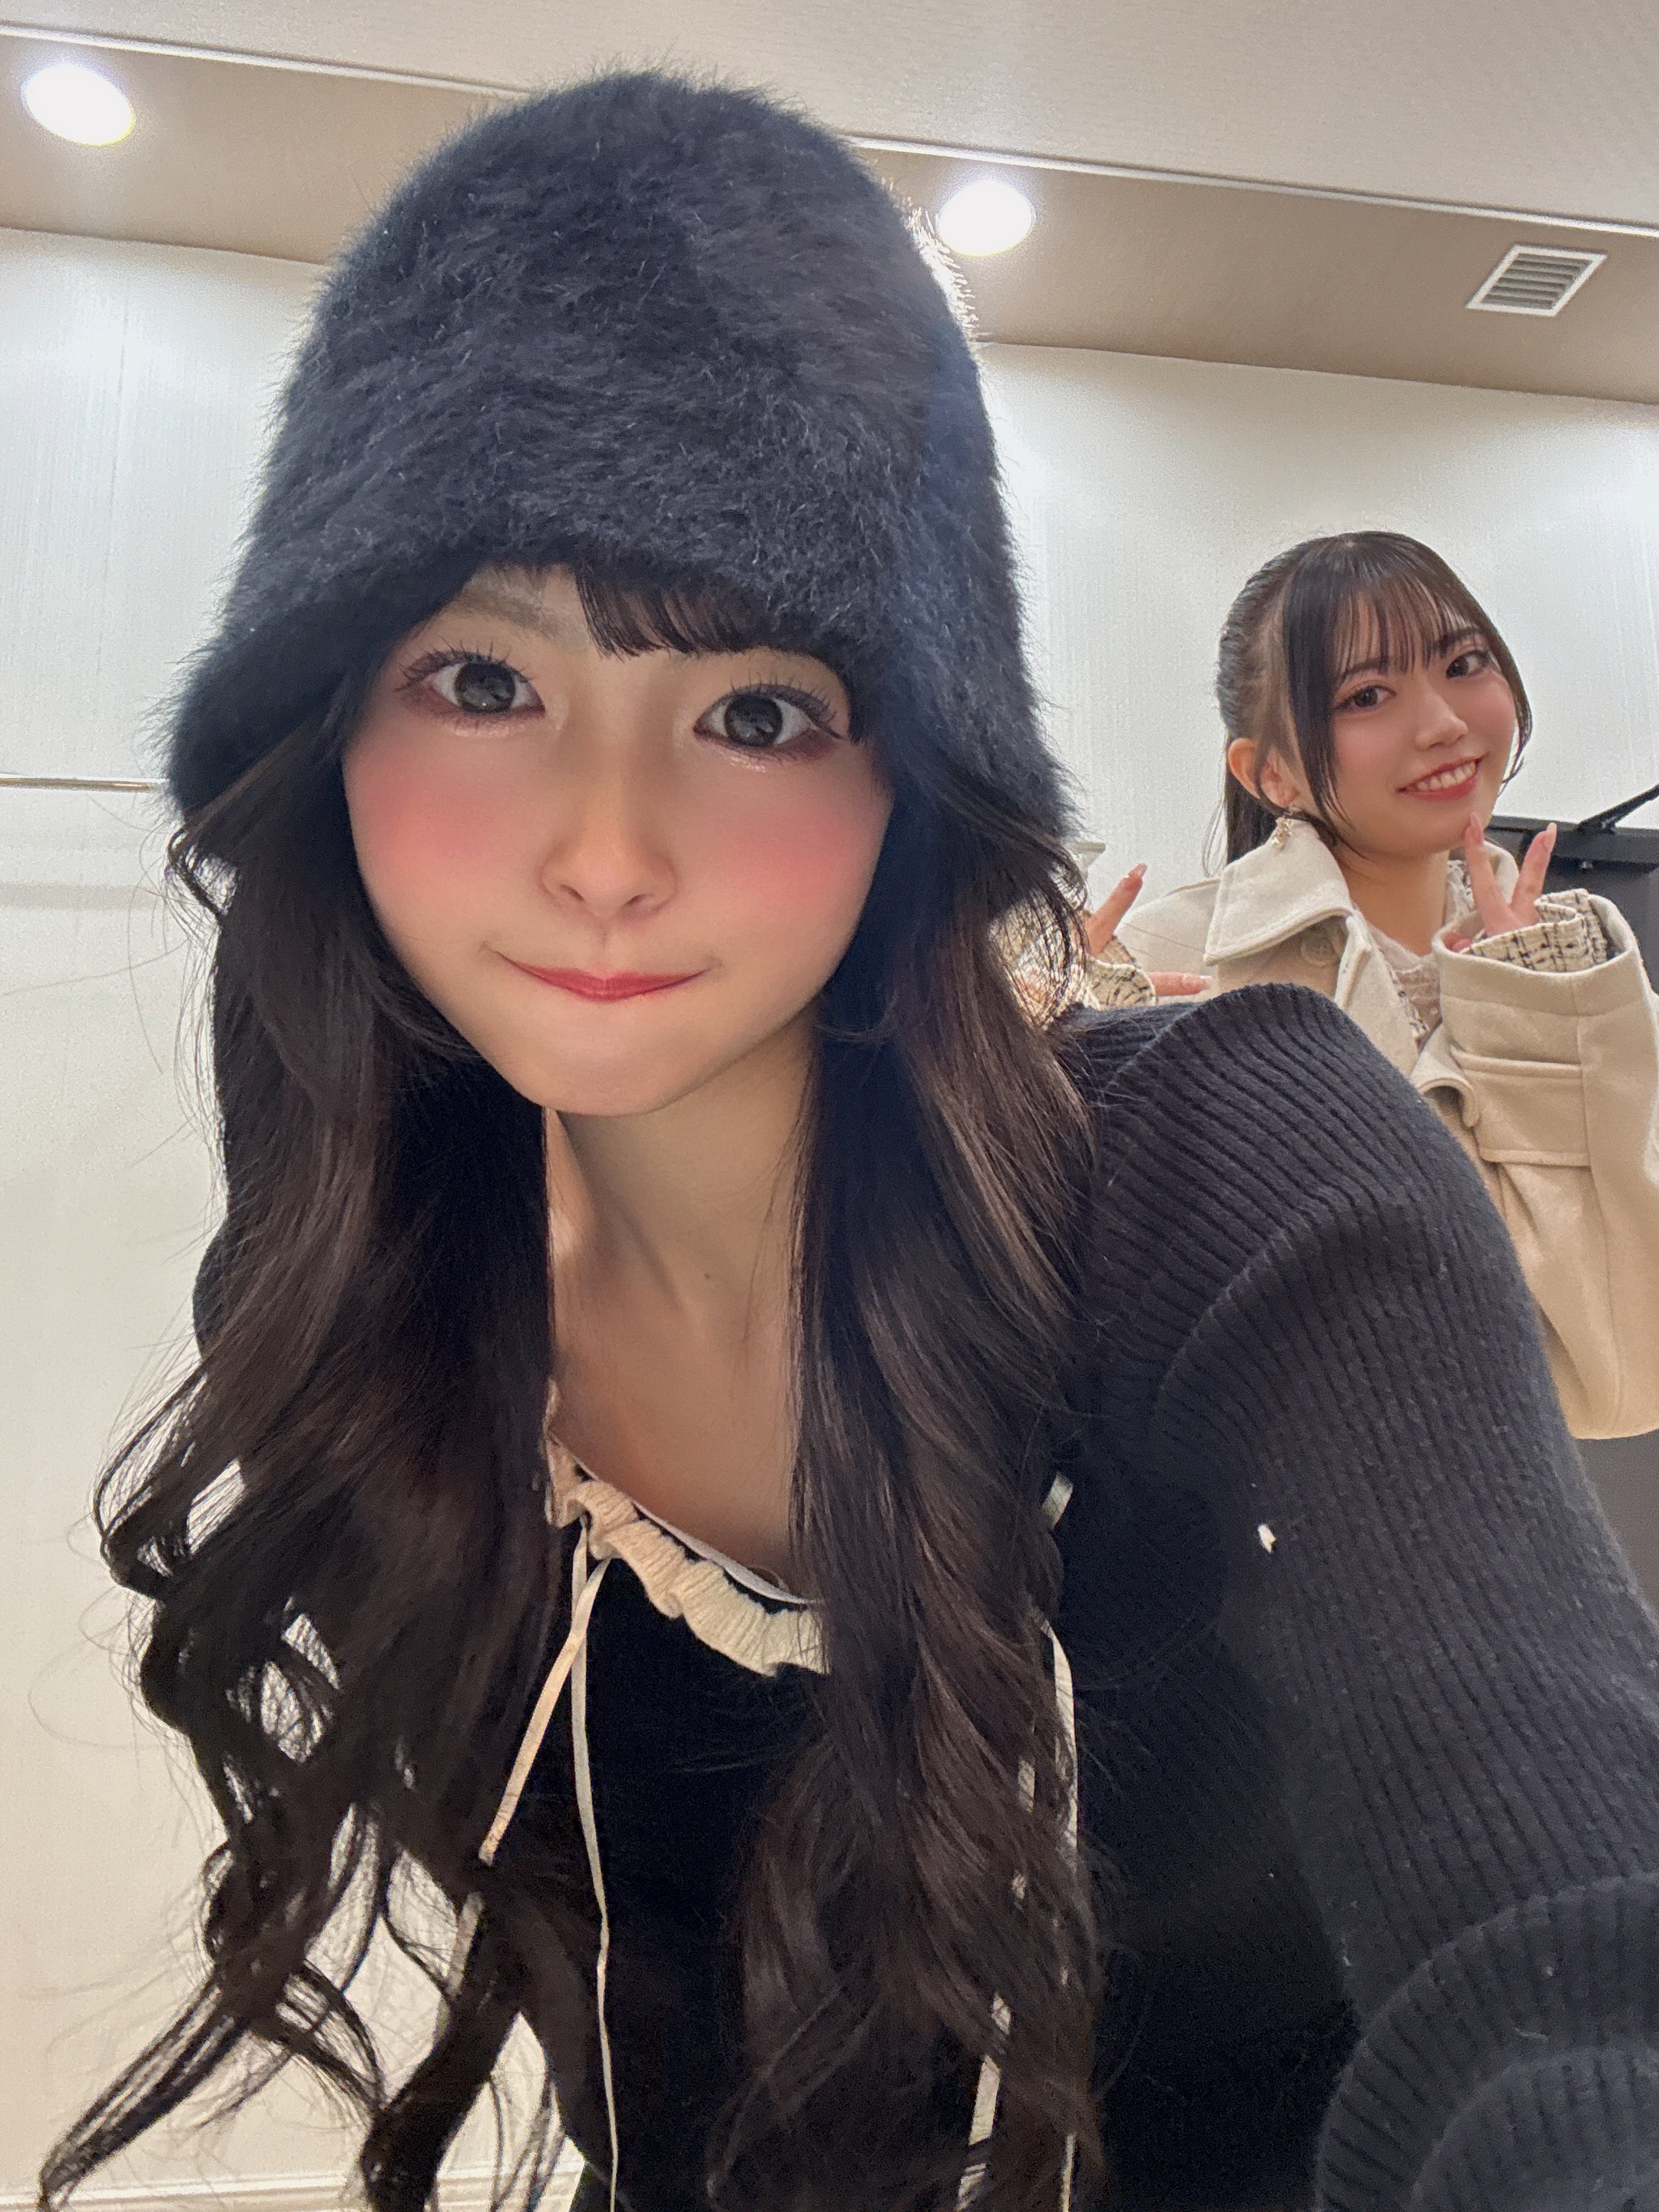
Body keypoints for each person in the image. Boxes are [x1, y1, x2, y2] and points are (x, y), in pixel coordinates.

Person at [41, 79, 1659, 2212]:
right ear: (323, 719)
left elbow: (1573, 1960)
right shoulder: (371, 1310)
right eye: (483, 680)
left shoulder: (1231, 1170)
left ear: (916, 775)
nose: (608, 851)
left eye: (757, 712)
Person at [1095, 531, 1659, 1441]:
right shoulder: (1166, 964)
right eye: (1366, 696)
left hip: (1504, 1507)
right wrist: (1018, 1049)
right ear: (1269, 773)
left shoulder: (1574, 970)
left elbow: (1626, 1377)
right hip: (1250, 1510)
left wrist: (1536, 1015)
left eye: (1464, 664)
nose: (1442, 724)